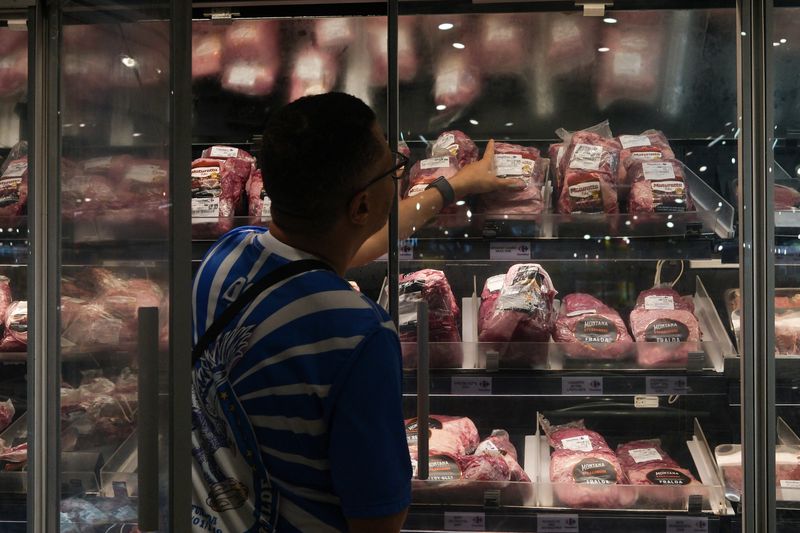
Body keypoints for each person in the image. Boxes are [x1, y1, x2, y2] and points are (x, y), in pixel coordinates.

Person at [190, 92, 522, 533]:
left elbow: (355, 244)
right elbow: (379, 520)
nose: (397, 177)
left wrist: (451, 187)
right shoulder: (357, 332)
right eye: (393, 171)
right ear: (362, 205)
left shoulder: (225, 256)